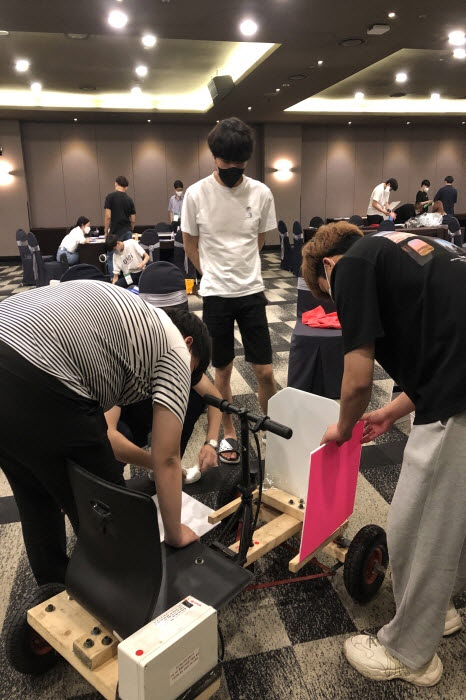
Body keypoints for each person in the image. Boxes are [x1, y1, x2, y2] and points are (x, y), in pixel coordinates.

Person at [302, 222, 466, 688]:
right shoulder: (410, 245)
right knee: (455, 514)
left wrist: (344, 428)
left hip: (458, 398)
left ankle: (409, 653)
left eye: (328, 296)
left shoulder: (350, 266)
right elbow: (441, 344)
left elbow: (357, 380)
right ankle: (437, 608)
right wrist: (392, 412)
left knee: (419, 524)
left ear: (326, 266)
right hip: (457, 377)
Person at [0, 282, 212, 586]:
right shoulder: (176, 348)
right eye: (190, 373)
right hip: (36, 366)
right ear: (188, 344)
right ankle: (127, 598)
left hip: (13, 338)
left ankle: (53, 586)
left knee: (34, 490)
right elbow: (167, 458)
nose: (183, 382)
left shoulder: (135, 328)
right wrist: (175, 533)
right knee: (112, 511)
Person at [182, 117, 278, 465]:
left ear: (247, 160)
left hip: (251, 291)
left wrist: (241, 266)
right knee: (222, 370)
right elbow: (190, 242)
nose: (234, 168)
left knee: (265, 371)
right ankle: (229, 432)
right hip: (216, 296)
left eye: (240, 162)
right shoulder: (196, 194)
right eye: (227, 161)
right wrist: (209, 272)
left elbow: (259, 240)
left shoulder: (261, 193)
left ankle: (270, 428)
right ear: (214, 157)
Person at [104, 262, 222, 484]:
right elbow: (109, 435)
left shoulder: (179, 349)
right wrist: (161, 464)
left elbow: (215, 398)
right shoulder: (125, 350)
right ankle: (107, 484)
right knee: (119, 434)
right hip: (95, 416)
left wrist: (211, 443)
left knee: (194, 396)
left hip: (143, 403)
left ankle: (168, 459)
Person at [104, 175, 136, 276]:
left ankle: (113, 280)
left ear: (116, 183)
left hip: (115, 232)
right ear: (126, 187)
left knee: (111, 257)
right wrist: (130, 230)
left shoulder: (110, 197)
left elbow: (108, 216)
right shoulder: (129, 200)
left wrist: (106, 231)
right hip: (127, 231)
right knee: (128, 257)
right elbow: (133, 220)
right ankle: (128, 280)